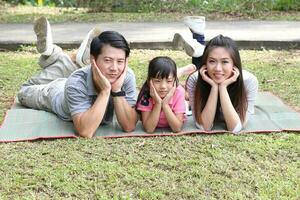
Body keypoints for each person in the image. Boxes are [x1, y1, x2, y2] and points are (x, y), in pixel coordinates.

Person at [17, 17, 138, 138]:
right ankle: (54, 54)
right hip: (56, 92)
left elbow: (129, 126)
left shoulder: (126, 76)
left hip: (82, 77)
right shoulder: (76, 81)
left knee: (78, 73)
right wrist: (106, 91)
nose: (115, 68)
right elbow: (86, 131)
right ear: (93, 60)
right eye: (108, 60)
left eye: (120, 61)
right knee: (24, 91)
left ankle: (66, 58)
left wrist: (116, 91)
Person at [136, 56, 186, 133]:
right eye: (157, 81)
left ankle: (180, 72)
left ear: (174, 81)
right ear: (149, 81)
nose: (163, 86)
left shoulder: (179, 92)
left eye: (169, 81)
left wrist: (165, 104)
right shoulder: (146, 93)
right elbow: (149, 129)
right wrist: (158, 103)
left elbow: (177, 128)